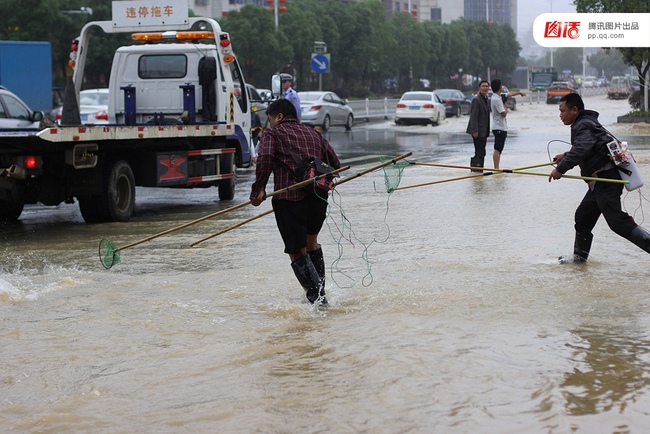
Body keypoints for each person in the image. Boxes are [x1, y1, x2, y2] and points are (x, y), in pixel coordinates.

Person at [250, 98, 341, 305]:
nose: (269, 124)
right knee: (311, 243)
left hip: (289, 199)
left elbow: (264, 160)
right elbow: (335, 164)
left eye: (270, 119)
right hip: (318, 198)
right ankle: (320, 294)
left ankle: (318, 301)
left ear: (279, 117)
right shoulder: (314, 134)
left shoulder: (272, 134)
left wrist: (259, 190)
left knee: (295, 251)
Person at [548, 93, 650, 262]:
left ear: (574, 110)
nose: (560, 115)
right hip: (599, 181)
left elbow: (582, 148)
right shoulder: (586, 122)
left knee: (616, 222)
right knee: (583, 217)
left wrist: (561, 168)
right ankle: (579, 259)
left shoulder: (582, 125)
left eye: (562, 111)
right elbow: (591, 146)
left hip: (605, 178)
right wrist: (566, 155)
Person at [489, 79, 526, 169]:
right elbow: (504, 113)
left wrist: (519, 93)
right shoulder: (496, 99)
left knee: (499, 149)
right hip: (498, 128)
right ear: (500, 87)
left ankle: (497, 167)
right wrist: (505, 105)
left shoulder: (499, 96)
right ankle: (496, 168)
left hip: (501, 127)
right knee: (497, 149)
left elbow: (509, 94)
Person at [465, 80, 490, 171]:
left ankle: (478, 169)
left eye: (486, 86)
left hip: (484, 131)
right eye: (483, 86)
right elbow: (474, 116)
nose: (485, 88)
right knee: (479, 152)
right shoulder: (476, 99)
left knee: (481, 152)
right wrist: (474, 130)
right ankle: (476, 170)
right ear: (479, 88)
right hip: (478, 131)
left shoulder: (485, 99)